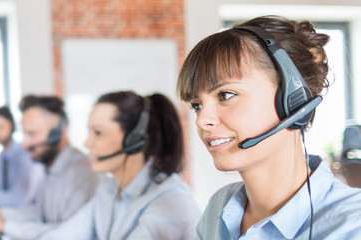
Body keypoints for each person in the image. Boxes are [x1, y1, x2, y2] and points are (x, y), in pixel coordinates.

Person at [177, 15, 361, 239]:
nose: (201, 120)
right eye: (197, 105)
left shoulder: (352, 226)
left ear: (292, 99)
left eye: (226, 95)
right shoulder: (220, 208)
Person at [39, 91, 201, 239]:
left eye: (98, 133)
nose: (87, 143)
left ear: (134, 139)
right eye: (90, 132)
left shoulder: (170, 200)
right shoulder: (109, 191)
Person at [0, 95, 99, 239]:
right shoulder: (49, 166)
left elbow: (66, 233)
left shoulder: (83, 174)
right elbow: (39, 213)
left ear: (59, 133)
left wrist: (3, 225)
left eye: (32, 134)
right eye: (24, 134)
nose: (25, 144)